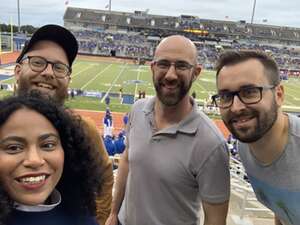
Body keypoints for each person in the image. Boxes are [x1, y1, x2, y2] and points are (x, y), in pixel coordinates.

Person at [106, 35, 230, 225]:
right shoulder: (138, 110)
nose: (170, 74)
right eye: (163, 64)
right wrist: (114, 213)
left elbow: (215, 220)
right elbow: (127, 160)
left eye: (181, 66)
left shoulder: (211, 143)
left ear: (196, 72)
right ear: (153, 68)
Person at [13, 24, 113, 225]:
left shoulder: (83, 130)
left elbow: (104, 179)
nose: (49, 73)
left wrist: (97, 220)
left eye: (59, 67)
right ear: (17, 71)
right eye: (38, 62)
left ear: (68, 79)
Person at [212, 50, 300, 225]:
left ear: (279, 95)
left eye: (250, 92)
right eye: (225, 96)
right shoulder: (246, 145)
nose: (236, 107)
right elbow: (282, 209)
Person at [0, 94, 103, 225]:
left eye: (48, 145)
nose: (35, 160)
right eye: (14, 147)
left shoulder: (82, 216)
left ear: (67, 151)